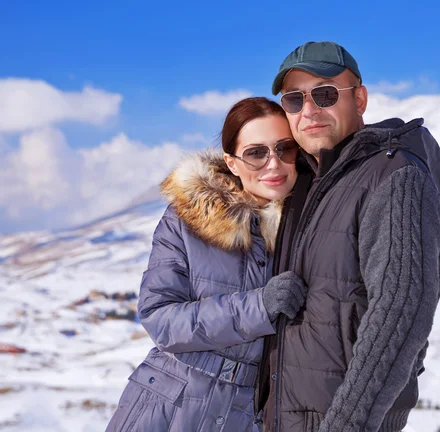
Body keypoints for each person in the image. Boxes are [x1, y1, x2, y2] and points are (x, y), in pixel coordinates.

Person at [255, 41, 440, 432]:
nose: (308, 110)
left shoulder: (394, 177)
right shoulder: (309, 183)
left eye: (325, 94)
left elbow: (399, 315)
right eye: (294, 100)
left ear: (359, 99)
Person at [105, 97, 308, 432]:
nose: (273, 164)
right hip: (166, 408)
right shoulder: (186, 220)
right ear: (232, 162)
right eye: (256, 153)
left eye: (284, 149)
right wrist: (259, 306)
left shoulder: (311, 227)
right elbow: (161, 319)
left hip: (248, 415)